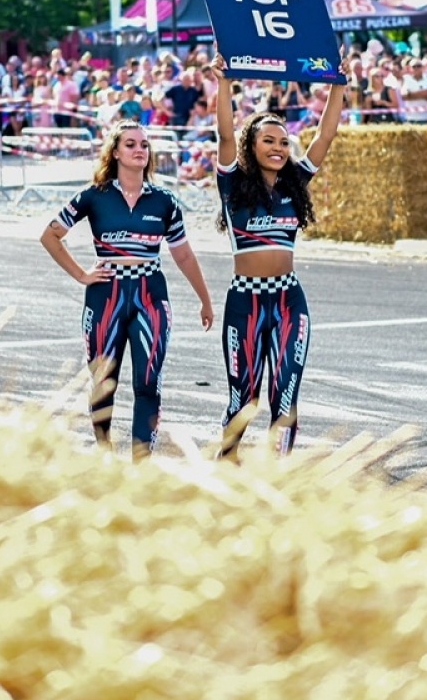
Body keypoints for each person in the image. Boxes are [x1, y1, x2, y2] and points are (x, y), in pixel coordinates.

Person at [38, 121, 215, 458]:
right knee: (104, 381)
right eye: (131, 144)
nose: (139, 150)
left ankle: (140, 461)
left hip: (151, 294)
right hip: (106, 295)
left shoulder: (165, 201)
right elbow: (50, 235)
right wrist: (80, 274)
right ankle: (103, 452)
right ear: (115, 151)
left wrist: (204, 299)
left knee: (147, 381)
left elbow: (184, 254)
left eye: (144, 145)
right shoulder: (93, 196)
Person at [204, 51, 342, 459]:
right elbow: (225, 135)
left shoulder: (295, 181)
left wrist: (338, 84)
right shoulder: (232, 183)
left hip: (288, 299)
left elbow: (326, 136)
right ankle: (225, 466)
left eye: (284, 141)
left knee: (285, 396)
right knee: (244, 400)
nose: (279, 147)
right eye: (269, 140)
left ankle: (278, 477)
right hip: (245, 300)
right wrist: (225, 82)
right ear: (252, 144)